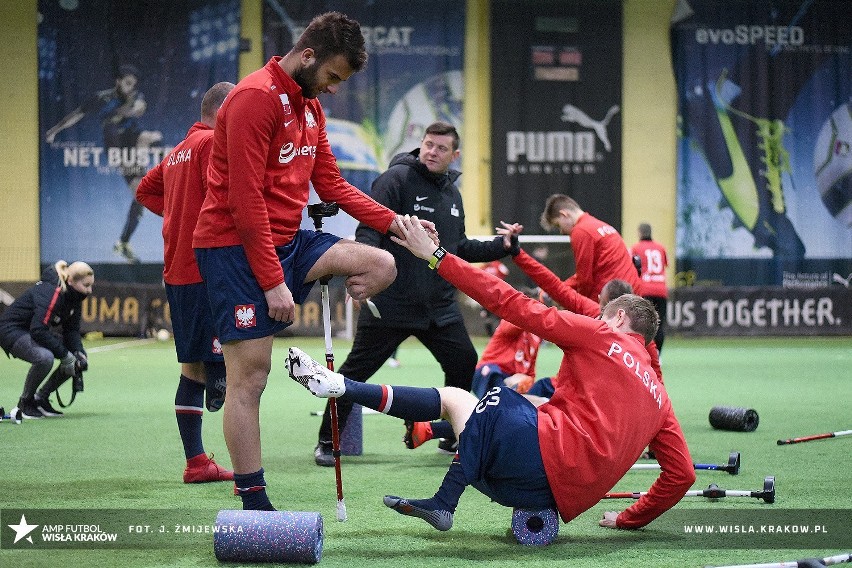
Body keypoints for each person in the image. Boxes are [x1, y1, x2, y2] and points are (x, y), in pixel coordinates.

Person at [287, 214, 695, 534]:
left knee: (490, 399)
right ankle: (354, 394)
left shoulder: (602, 334)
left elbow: (511, 302)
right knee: (463, 399)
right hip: (549, 497)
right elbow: (682, 476)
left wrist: (436, 256)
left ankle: (437, 491)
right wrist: (628, 519)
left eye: (603, 314)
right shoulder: (661, 396)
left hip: (537, 462)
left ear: (618, 317)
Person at [191, 12, 424, 511]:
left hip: (288, 240)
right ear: (308, 55)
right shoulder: (254, 98)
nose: (335, 89)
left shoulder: (311, 108)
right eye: (333, 77)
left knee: (382, 264)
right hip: (234, 247)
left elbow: (333, 186)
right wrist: (274, 283)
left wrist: (399, 224)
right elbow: (245, 200)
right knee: (251, 376)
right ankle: (253, 498)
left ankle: (254, 331)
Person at [313, 121, 520, 466]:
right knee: (352, 376)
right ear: (420, 145)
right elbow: (368, 231)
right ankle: (326, 441)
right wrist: (361, 272)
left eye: (441, 148)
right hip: (390, 305)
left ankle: (450, 435)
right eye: (428, 144)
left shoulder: (453, 195)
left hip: (439, 309)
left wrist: (503, 245)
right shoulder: (395, 180)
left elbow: (459, 248)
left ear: (455, 155)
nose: (432, 152)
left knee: (464, 362)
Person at [136, 82, 236, 484]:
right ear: (224, 111)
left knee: (191, 367)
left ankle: (196, 463)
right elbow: (232, 197)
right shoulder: (213, 142)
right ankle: (220, 379)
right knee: (232, 365)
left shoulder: (178, 150)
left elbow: (145, 191)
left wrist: (179, 211)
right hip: (206, 266)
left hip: (177, 270)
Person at [45, 64, 163, 264]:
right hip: (116, 146)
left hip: (133, 142)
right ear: (118, 82)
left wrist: (132, 108)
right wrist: (55, 130)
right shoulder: (102, 98)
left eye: (133, 85)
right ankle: (124, 241)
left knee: (151, 140)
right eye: (127, 83)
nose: (130, 88)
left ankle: (123, 242)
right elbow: (77, 114)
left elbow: (138, 110)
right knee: (140, 189)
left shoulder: (136, 97)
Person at [0, 261, 94, 419]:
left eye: (91, 285)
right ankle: (25, 403)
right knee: (45, 358)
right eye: (86, 285)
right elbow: (38, 329)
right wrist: (65, 355)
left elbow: (71, 331)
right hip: (11, 330)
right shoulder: (53, 291)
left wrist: (79, 352)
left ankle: (41, 399)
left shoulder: (75, 297)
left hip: (31, 330)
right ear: (71, 281)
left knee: (76, 358)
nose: (89, 290)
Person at [539, 194, 643, 302]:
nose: (561, 232)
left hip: (615, 300)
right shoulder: (600, 225)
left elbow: (585, 281)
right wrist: (557, 289)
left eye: (558, 225)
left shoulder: (581, 231)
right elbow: (584, 275)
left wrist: (574, 303)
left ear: (564, 214)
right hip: (633, 295)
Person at [631, 223, 669, 352]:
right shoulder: (661, 248)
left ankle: (644, 353)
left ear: (639, 233)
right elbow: (664, 265)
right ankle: (658, 355)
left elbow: (633, 268)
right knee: (659, 324)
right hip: (661, 290)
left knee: (643, 325)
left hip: (644, 290)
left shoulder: (636, 248)